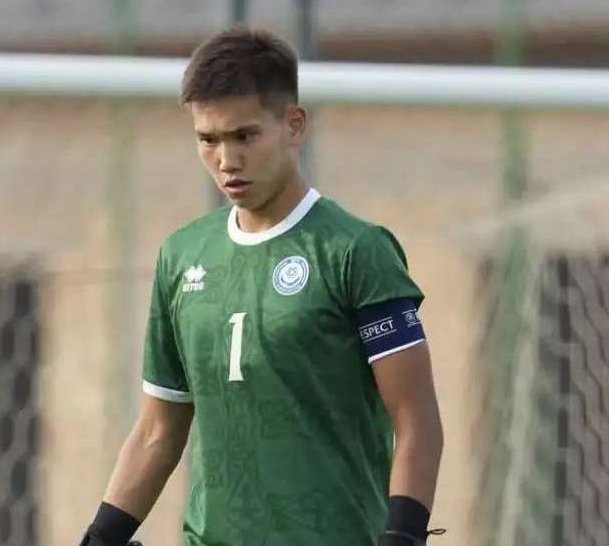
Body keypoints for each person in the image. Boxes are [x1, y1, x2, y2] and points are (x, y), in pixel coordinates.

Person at [78, 27, 444, 546]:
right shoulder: (182, 257)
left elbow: (416, 417)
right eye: (208, 140)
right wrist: (101, 537)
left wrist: (403, 537)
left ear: (294, 125)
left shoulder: (356, 251)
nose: (226, 160)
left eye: (244, 136)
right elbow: (158, 431)